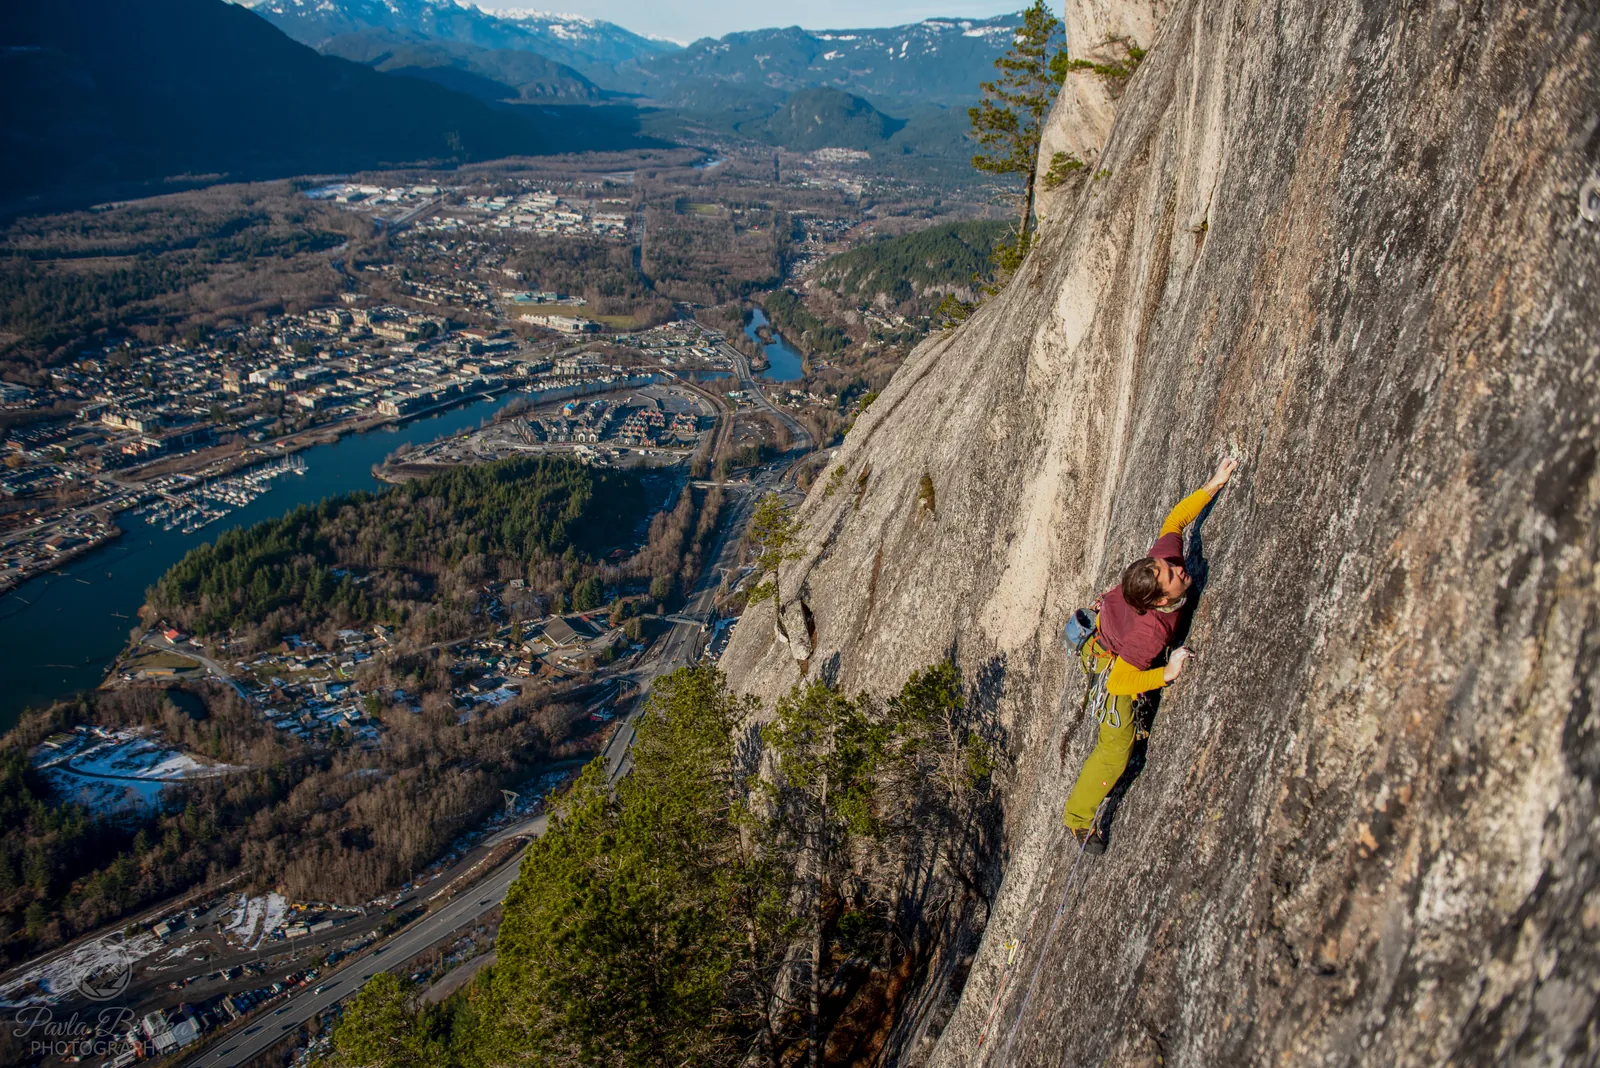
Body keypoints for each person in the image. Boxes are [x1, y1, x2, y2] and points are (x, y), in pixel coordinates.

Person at [1063, 456, 1240, 851]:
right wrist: (1166, 675)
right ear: (1159, 600)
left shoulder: (1165, 563)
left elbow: (1175, 521)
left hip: (1113, 629)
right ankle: (1076, 819)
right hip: (1109, 658)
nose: (1179, 570)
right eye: (1171, 575)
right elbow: (1120, 680)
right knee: (1117, 745)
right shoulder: (1151, 630)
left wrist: (1214, 484)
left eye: (1170, 567)